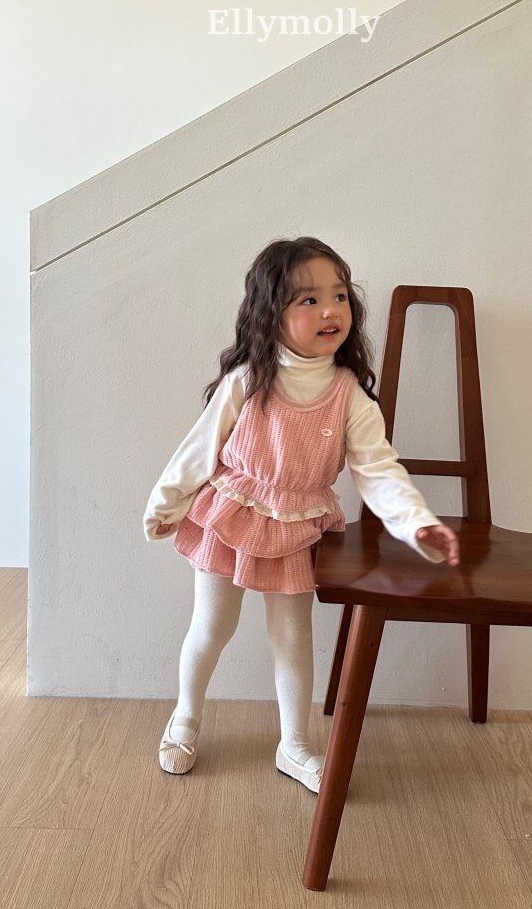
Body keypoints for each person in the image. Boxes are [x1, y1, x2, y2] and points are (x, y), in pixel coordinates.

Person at [143, 236, 460, 793]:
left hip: (297, 526)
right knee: (212, 627)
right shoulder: (248, 380)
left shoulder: (350, 396)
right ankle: (185, 717)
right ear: (271, 313)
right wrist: (166, 503)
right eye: (309, 300)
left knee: (292, 638)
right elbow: (199, 448)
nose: (330, 310)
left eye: (339, 296)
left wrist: (417, 524)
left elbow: (379, 470)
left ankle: (294, 744)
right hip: (230, 516)